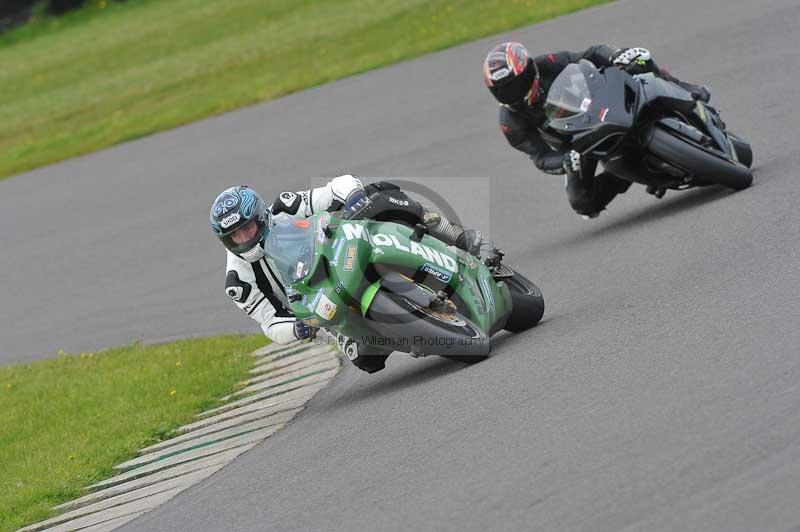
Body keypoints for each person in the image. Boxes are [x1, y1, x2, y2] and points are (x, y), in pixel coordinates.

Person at [209, 175, 482, 373]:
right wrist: (297, 328)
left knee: (381, 195)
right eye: (234, 236)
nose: (244, 239)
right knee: (366, 359)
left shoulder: (284, 209)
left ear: (261, 216)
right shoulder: (239, 281)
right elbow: (270, 323)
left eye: (247, 228)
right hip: (321, 306)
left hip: (340, 253)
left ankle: (455, 235)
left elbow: (336, 187)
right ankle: (419, 334)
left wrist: (352, 198)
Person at [483, 42, 711, 217]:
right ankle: (623, 175)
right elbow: (541, 157)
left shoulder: (548, 63)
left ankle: (685, 89)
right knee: (582, 202)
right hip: (578, 144)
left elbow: (589, 54)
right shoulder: (510, 121)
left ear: (530, 70)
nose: (513, 94)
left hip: (598, 104)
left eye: (517, 84)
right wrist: (564, 161)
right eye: (504, 91)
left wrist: (616, 55)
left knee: (639, 62)